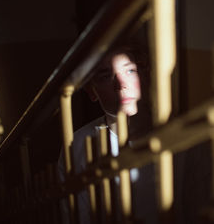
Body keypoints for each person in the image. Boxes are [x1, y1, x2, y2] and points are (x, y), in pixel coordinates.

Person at [58, 43, 155, 224]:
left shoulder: (180, 133)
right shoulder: (77, 145)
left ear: (145, 74)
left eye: (130, 71)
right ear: (91, 90)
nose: (120, 85)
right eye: (105, 76)